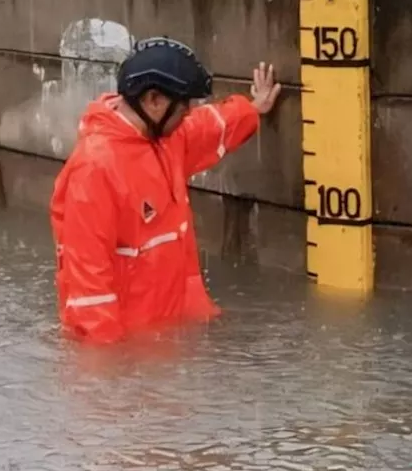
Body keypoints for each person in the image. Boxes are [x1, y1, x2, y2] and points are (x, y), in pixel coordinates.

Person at [49, 38, 282, 345]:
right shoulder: (94, 170)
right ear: (154, 100)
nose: (188, 112)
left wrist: (253, 109)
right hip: (132, 355)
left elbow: (210, 126)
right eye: (184, 104)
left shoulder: (165, 138)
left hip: (174, 338)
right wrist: (108, 383)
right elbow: (88, 296)